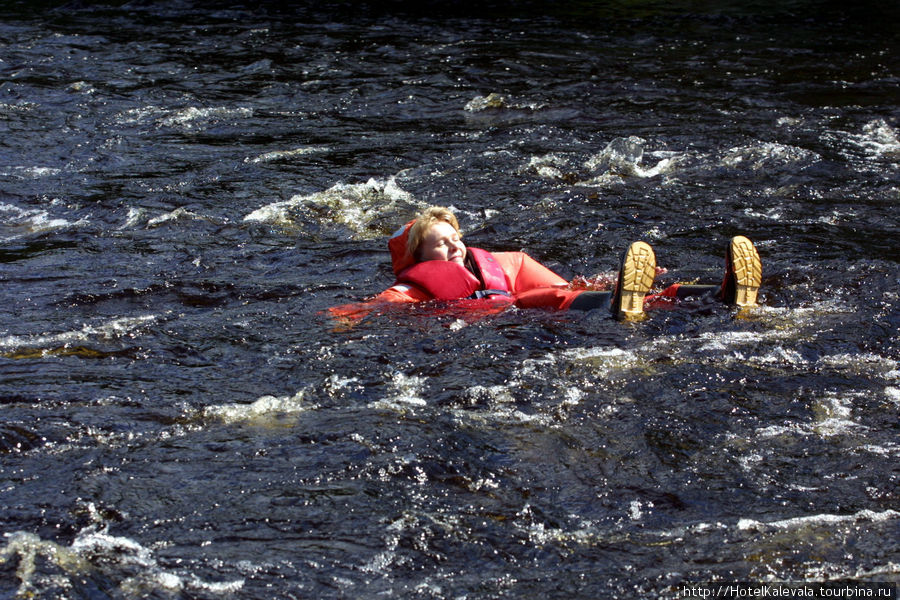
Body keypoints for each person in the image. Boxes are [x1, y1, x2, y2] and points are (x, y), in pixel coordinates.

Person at [328, 206, 761, 324]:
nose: (456, 249)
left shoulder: (504, 262)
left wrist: (606, 280)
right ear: (419, 259)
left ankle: (720, 294)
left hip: (521, 300)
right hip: (500, 316)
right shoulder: (414, 290)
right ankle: (618, 304)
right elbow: (374, 307)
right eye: (442, 245)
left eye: (457, 238)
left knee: (617, 295)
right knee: (536, 300)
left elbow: (571, 285)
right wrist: (344, 318)